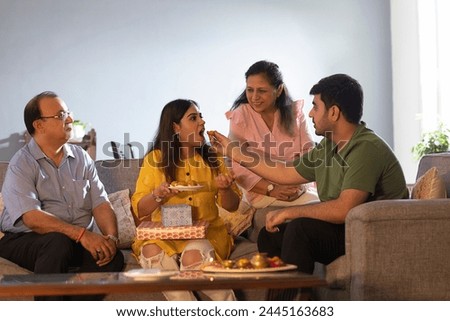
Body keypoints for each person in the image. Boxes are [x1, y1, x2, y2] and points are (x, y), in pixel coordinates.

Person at [208, 74, 409, 274]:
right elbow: (284, 173)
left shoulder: (365, 148)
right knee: (269, 236)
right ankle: (282, 298)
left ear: (334, 113)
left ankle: (294, 300)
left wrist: (289, 212)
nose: (310, 113)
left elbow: (344, 209)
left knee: (300, 229)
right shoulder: (329, 146)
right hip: (348, 227)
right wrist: (233, 151)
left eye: (315, 106)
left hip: (372, 231)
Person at [0, 91, 124, 300]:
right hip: (25, 238)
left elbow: (101, 203)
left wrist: (110, 238)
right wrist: (82, 235)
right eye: (60, 115)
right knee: (58, 243)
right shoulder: (21, 163)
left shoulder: (81, 158)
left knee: (112, 257)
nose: (69, 119)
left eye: (68, 113)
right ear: (39, 125)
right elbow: (32, 218)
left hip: (71, 240)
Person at [131, 99, 240, 301]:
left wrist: (225, 190)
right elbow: (140, 209)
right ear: (175, 127)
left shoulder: (213, 159)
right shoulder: (155, 159)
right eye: (193, 118)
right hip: (163, 236)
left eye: (201, 116)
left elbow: (232, 207)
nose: (202, 122)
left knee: (193, 258)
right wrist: (157, 195)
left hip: (205, 235)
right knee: (151, 252)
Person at [226, 60, 318, 209]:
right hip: (263, 193)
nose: (254, 97)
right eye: (250, 90)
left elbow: (309, 153)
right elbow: (237, 165)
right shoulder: (240, 116)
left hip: (299, 187)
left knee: (323, 207)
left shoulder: (295, 113)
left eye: (261, 91)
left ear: (279, 90)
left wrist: (300, 184)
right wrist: (272, 189)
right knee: (313, 210)